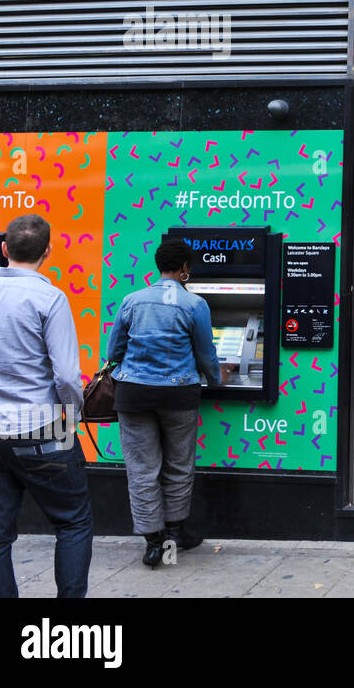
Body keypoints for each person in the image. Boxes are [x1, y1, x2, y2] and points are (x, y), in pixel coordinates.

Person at [0, 213, 93, 598]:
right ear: (48, 252)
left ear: (4, 249)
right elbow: (67, 377)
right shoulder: (50, 298)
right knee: (73, 523)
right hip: (44, 428)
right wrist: (72, 416)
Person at [105, 237, 228, 568]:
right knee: (178, 465)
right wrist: (218, 378)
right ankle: (175, 535)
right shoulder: (194, 304)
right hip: (178, 394)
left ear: (158, 266)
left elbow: (113, 351)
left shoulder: (133, 300)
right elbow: (206, 353)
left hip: (133, 395)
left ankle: (152, 542)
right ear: (185, 268)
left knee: (142, 468)